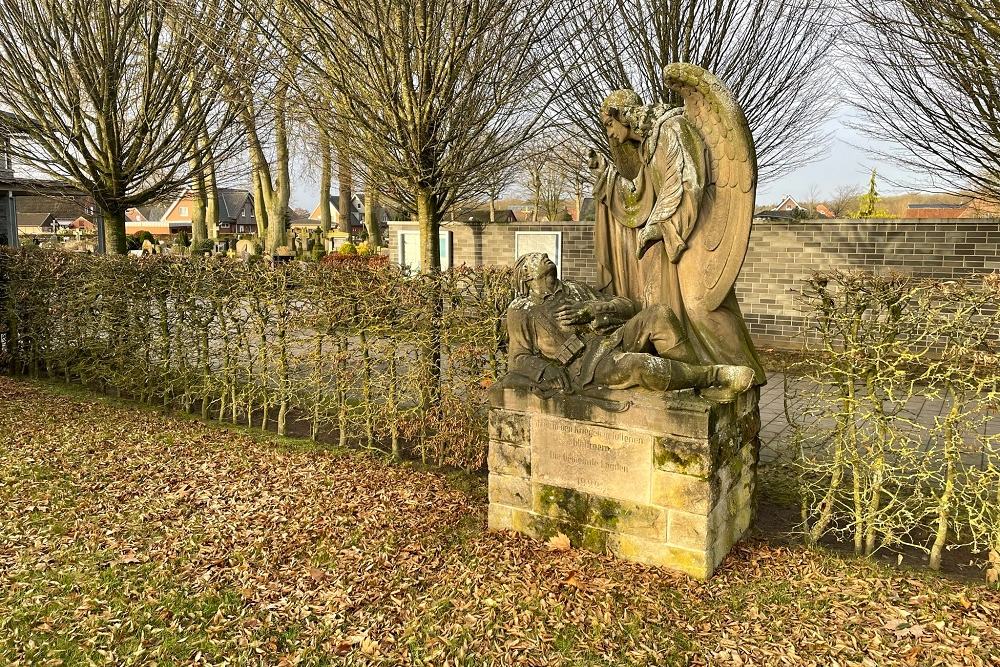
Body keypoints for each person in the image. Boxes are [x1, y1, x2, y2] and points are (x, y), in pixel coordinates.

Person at [591, 81, 766, 387]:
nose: (609, 133)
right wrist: (607, 176)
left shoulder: (672, 127)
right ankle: (712, 377)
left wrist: (656, 226)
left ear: (623, 115)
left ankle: (743, 373)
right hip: (677, 236)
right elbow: (642, 195)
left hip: (696, 231)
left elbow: (687, 183)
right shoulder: (650, 145)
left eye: (609, 124)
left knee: (701, 306)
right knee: (682, 311)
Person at [504, 253, 755, 401]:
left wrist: (590, 309)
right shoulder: (522, 310)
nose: (544, 257)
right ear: (526, 275)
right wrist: (545, 370)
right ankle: (714, 376)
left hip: (611, 337)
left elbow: (625, 306)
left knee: (659, 314)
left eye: (544, 255)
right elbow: (518, 357)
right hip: (587, 366)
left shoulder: (574, 288)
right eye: (535, 257)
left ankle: (693, 384)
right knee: (641, 365)